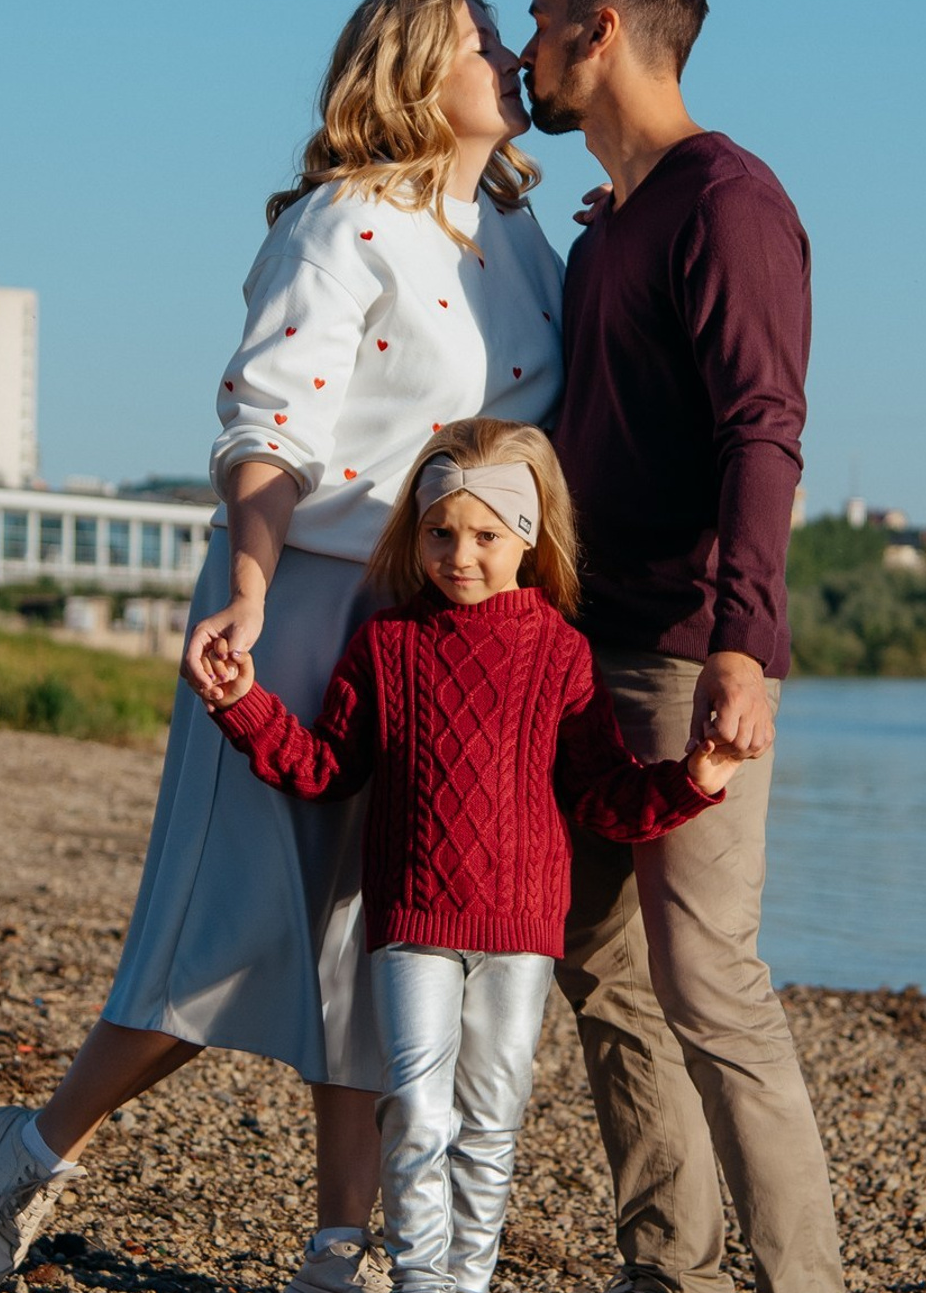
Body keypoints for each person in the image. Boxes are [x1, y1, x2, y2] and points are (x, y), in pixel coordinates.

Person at [0, 0, 564, 1293]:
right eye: (484, 43)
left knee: (373, 936)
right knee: (221, 936)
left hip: (431, 620)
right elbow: (269, 425)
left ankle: (344, 1244)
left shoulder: (516, 232)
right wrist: (252, 588)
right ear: (407, 73)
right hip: (296, 604)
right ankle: (31, 1152)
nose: (515, 56)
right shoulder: (346, 224)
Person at [190, 419, 744, 1293]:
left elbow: (601, 794)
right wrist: (245, 706)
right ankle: (420, 1281)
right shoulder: (387, 645)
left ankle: (467, 1282)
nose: (460, 555)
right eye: (440, 532)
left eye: (486, 536)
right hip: (411, 917)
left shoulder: (559, 653)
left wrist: (696, 778)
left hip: (523, 928)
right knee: (414, 1110)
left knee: (490, 1121)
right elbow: (329, 769)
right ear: (416, 532)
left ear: (528, 537)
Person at [520, 0, 846, 1293]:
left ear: (598, 31)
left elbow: (764, 428)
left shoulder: (728, 202)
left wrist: (744, 645)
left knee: (711, 984)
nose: (525, 47)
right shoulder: (620, 224)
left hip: (678, 653)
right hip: (586, 648)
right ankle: (672, 1272)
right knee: (599, 972)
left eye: (540, 21)